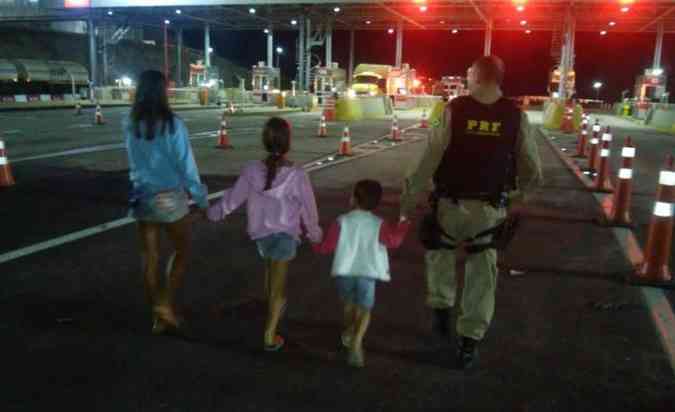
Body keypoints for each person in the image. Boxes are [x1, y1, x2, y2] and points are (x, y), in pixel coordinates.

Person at [400, 56, 542, 369]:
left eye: (468, 75)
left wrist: (409, 200)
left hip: (449, 205)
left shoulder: (453, 109)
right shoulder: (516, 116)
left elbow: (429, 157)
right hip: (490, 211)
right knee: (482, 270)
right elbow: (531, 168)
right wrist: (518, 198)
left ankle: (441, 314)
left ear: (477, 76)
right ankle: (469, 342)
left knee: (440, 254)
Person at [207, 117, 322, 351]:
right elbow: (309, 209)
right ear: (288, 142)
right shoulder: (297, 174)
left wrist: (214, 213)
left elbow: (233, 198)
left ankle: (273, 308)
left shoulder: (251, 170)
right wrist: (314, 233)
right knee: (279, 288)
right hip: (285, 236)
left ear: (264, 141)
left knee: (270, 276)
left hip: (261, 237)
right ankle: (270, 335)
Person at [125, 70, 208, 335]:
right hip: (169, 197)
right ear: (163, 92)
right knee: (183, 250)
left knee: (149, 257)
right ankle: (165, 303)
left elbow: (133, 160)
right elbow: (187, 166)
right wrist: (200, 197)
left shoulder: (130, 122)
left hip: (142, 196)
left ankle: (157, 316)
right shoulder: (174, 125)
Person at [313, 180, 410, 368]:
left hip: (345, 271)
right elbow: (393, 241)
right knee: (364, 308)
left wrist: (314, 239)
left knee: (348, 305)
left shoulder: (341, 221)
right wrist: (403, 224)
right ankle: (357, 343)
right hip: (367, 272)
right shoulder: (378, 224)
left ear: (353, 199)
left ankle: (349, 331)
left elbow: (326, 246)